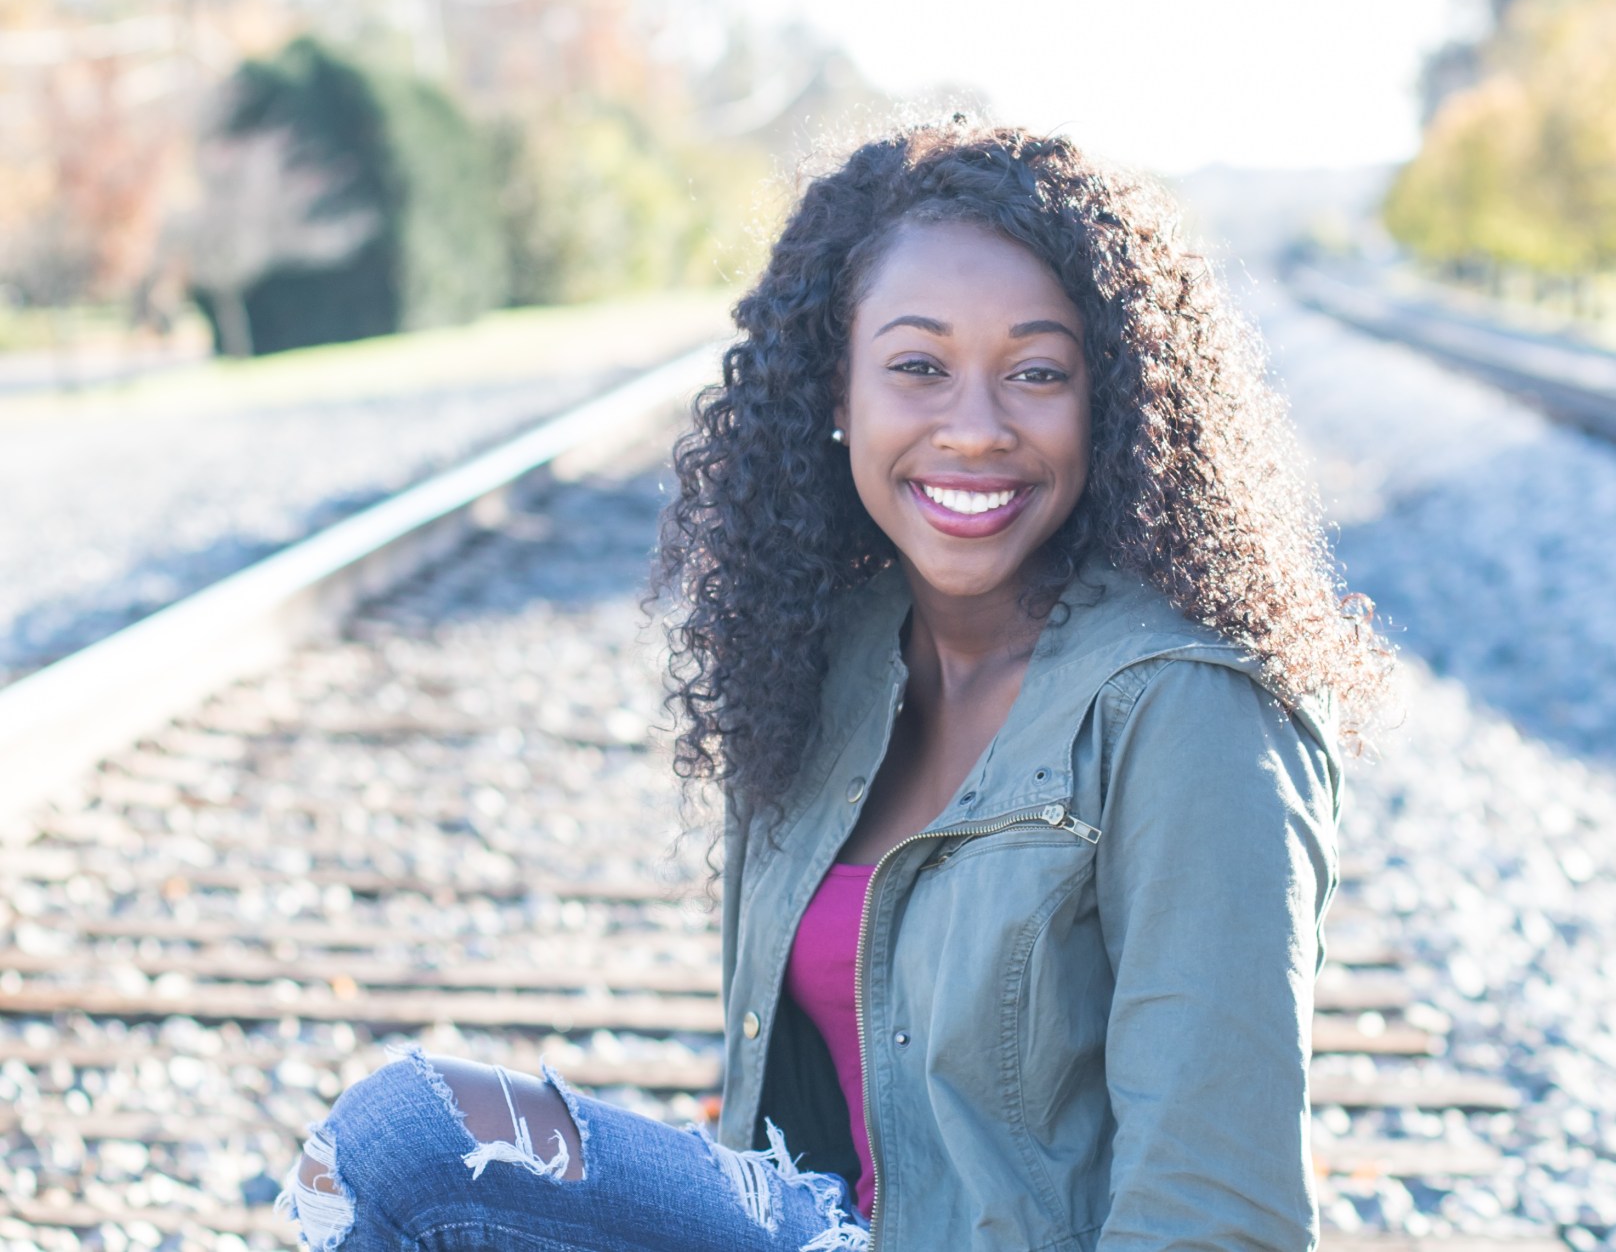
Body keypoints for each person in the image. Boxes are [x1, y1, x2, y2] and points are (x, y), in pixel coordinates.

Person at [278, 119, 1388, 1251]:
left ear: (1110, 405)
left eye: (1036, 373)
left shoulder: (1192, 712)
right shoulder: (823, 659)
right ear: (836, 393)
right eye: (918, 367)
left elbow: (1219, 1215)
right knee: (383, 1157)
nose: (974, 430)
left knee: (413, 1142)